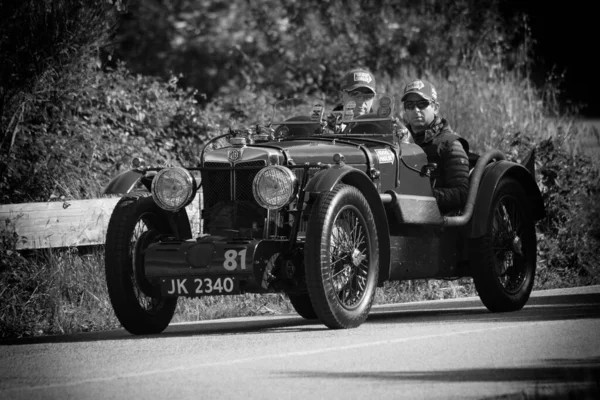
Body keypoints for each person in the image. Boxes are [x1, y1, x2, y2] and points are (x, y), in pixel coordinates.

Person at [401, 79, 469, 214]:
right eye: (410, 105)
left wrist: (425, 195)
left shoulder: (450, 144)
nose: (416, 110)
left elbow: (462, 194)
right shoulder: (397, 142)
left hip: (439, 222)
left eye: (422, 104)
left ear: (435, 107)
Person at [327, 68, 377, 132]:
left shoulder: (380, 127)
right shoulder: (327, 127)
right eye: (355, 94)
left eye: (368, 96)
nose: (361, 101)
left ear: (373, 99)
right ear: (342, 96)